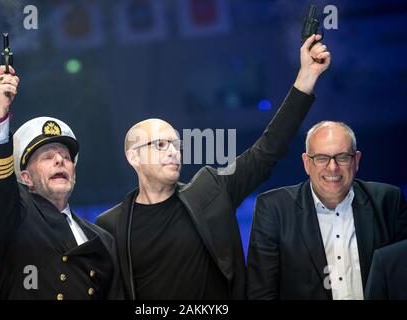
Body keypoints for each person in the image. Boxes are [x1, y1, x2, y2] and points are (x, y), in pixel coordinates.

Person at [95, 34, 331, 299]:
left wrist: (306, 78)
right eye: (160, 145)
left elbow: (267, 150)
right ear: (133, 157)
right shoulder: (111, 225)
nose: (173, 152)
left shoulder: (209, 191)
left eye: (176, 144)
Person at [0, 65, 123, 300]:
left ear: (74, 173)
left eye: (66, 158)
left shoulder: (102, 238)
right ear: (26, 178)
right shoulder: (15, 215)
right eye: (47, 157)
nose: (60, 160)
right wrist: (0, 112)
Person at [247, 121, 407, 300]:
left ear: (356, 160)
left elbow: (401, 280)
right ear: (307, 163)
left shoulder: (388, 201)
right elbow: (260, 295)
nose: (333, 167)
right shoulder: (273, 209)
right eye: (322, 158)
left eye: (343, 157)